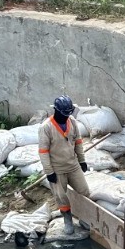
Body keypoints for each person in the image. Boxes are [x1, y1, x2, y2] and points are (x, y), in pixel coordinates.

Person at [39, 95, 90, 234]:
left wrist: (82, 160)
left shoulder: (72, 121)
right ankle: (68, 219)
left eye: (68, 113)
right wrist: (49, 172)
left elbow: (78, 142)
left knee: (84, 191)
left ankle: (84, 218)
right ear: (56, 111)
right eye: (64, 114)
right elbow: (43, 152)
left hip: (73, 165)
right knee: (61, 196)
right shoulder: (46, 127)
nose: (66, 116)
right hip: (57, 168)